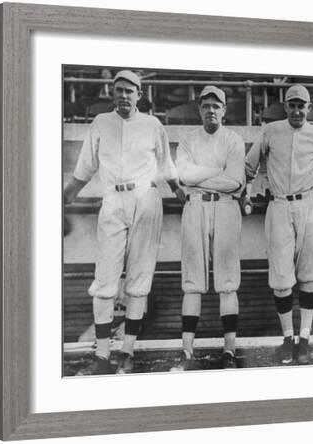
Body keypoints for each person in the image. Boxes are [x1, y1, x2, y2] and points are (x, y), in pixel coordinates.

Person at [64, 70, 185, 375]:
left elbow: (168, 168)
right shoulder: (101, 123)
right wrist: (62, 198)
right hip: (112, 201)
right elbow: (83, 170)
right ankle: (103, 355)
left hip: (145, 198)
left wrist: (183, 193)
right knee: (105, 280)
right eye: (119, 90)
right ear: (112, 93)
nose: (124, 96)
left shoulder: (152, 124)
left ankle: (127, 351)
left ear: (139, 95)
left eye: (129, 91)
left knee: (139, 280)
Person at [245, 84, 313, 365]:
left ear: (309, 108)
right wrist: (246, 193)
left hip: (310, 206)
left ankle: (305, 339)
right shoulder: (270, 131)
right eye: (292, 105)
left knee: (308, 274)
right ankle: (288, 338)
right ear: (285, 106)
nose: (297, 110)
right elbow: (248, 165)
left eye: (302, 105)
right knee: (280, 276)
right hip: (279, 205)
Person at [171, 85, 245, 371]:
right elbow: (183, 176)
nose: (211, 110)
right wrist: (218, 173)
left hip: (226, 207)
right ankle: (187, 350)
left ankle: (229, 349)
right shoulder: (188, 140)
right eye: (206, 106)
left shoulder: (234, 140)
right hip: (196, 206)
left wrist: (198, 178)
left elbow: (236, 182)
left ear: (224, 110)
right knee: (192, 280)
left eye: (216, 106)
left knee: (227, 280)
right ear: (199, 109)